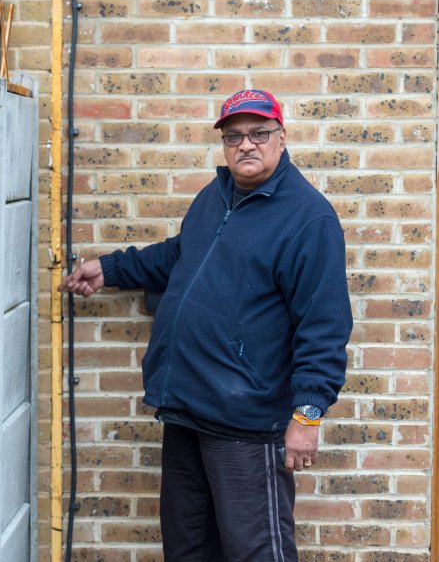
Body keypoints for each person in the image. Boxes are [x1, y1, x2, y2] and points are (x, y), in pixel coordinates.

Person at [57, 89, 352, 561]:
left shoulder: (308, 219)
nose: (246, 145)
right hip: (188, 410)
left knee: (256, 552)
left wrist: (308, 415)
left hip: (246, 425)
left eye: (259, 134)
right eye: (234, 137)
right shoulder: (217, 197)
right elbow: (179, 256)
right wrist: (110, 268)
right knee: (188, 548)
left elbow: (324, 326)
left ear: (282, 138)